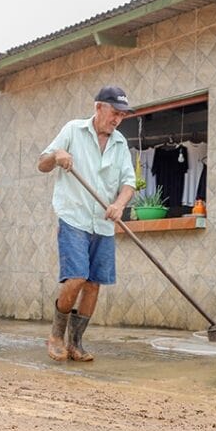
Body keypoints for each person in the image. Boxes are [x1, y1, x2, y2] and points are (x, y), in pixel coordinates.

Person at [37, 86, 136, 362]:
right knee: (77, 277)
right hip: (75, 216)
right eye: (114, 112)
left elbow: (129, 183)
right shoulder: (73, 130)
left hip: (103, 223)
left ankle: (75, 343)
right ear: (98, 107)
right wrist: (57, 156)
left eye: (122, 115)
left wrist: (119, 204)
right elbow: (41, 164)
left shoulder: (120, 144)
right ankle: (56, 335)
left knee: (93, 284)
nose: (117, 119)